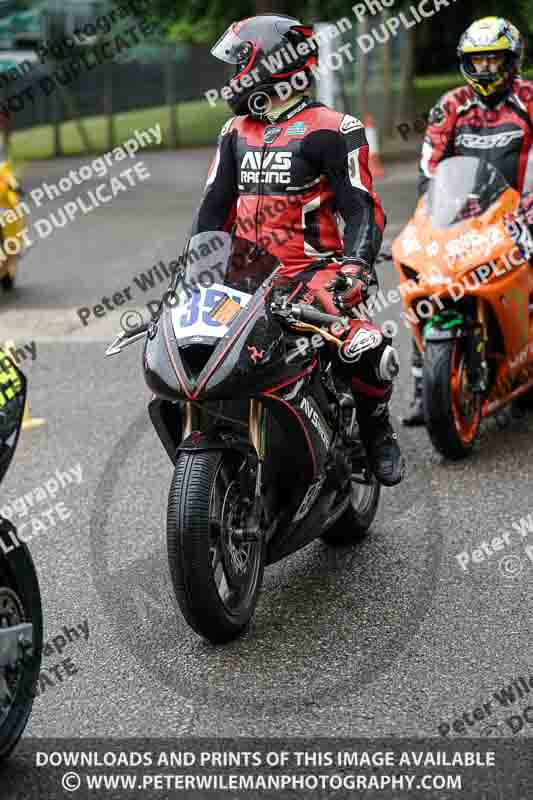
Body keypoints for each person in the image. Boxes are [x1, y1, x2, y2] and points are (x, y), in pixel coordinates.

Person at [191, 14, 405, 486]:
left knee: (365, 346)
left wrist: (356, 266)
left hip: (314, 274)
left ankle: (375, 430)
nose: (232, 79)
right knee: (194, 350)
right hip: (245, 277)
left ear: (273, 65)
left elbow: (363, 210)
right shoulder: (234, 132)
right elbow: (212, 212)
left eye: (239, 66)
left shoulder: (335, 128)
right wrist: (196, 273)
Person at [404, 15, 533, 426]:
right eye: (477, 62)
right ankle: (426, 387)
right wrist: (432, 208)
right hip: (465, 214)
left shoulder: (529, 100)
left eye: (494, 61)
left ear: (512, 61)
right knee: (429, 283)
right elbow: (430, 166)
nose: (485, 71)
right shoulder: (450, 105)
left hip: (522, 209)